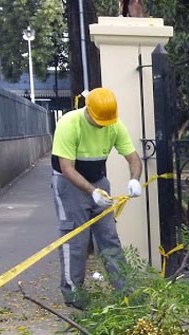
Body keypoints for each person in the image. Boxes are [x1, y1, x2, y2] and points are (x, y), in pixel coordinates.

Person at [51, 87, 143, 310]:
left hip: (99, 181)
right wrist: (91, 192)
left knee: (109, 237)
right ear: (88, 111)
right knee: (76, 239)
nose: (103, 124)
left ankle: (125, 291)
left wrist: (135, 179)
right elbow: (66, 168)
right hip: (68, 183)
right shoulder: (68, 123)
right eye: (99, 120)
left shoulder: (114, 125)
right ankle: (74, 294)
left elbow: (133, 159)